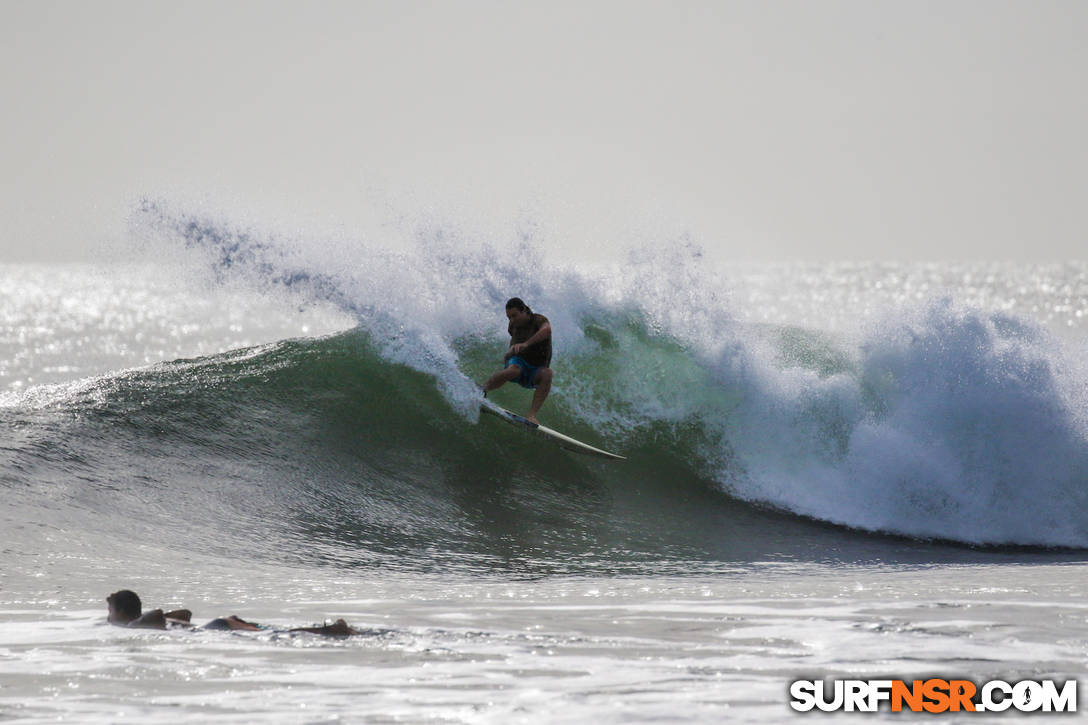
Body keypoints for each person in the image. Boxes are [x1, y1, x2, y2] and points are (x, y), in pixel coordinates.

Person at [105, 589, 361, 636]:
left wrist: (133, 625)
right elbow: (186, 612)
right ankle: (333, 630)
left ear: (122, 611)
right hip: (221, 624)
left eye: (110, 611)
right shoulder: (151, 620)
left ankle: (335, 630)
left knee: (282, 636)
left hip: (219, 628)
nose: (107, 617)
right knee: (280, 633)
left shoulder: (137, 623)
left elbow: (158, 614)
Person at [481, 297, 553, 424]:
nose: (512, 320)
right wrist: (511, 352)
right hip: (518, 361)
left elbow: (547, 331)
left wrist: (526, 344)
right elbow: (513, 343)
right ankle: (482, 389)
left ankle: (531, 416)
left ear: (524, 310)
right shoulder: (513, 326)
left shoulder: (538, 320)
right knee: (514, 370)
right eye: (509, 317)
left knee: (548, 374)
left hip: (535, 369)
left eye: (514, 316)